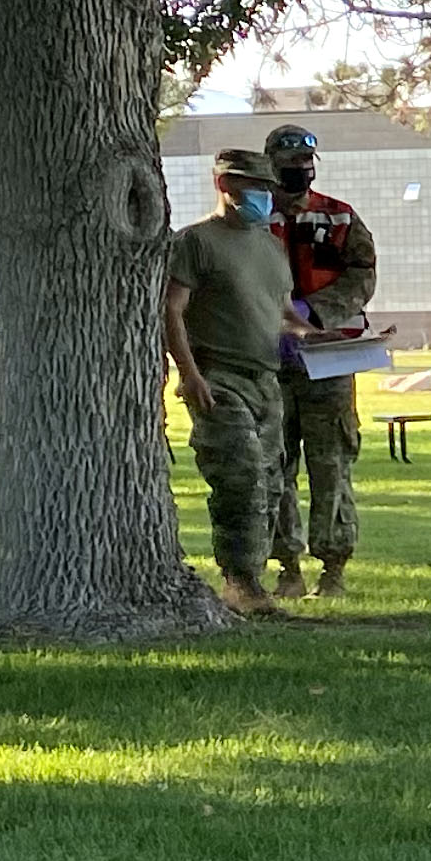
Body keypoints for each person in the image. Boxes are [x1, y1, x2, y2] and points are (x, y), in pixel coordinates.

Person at [162, 150, 296, 615]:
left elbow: (280, 312)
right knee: (239, 479)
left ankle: (257, 576)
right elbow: (172, 310)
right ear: (226, 187)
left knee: (272, 482)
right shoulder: (196, 242)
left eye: (267, 189)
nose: (263, 197)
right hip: (220, 378)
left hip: (266, 381)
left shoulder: (270, 247)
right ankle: (240, 581)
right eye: (252, 188)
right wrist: (190, 374)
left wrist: (324, 336)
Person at [259, 122, 378, 601]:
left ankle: (333, 566)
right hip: (269, 356)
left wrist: (317, 311)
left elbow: (362, 274)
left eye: (306, 166)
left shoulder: (340, 217)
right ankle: (287, 564)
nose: (299, 174)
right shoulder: (251, 220)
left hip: (327, 354)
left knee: (330, 463)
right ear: (271, 167)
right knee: (275, 461)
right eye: (290, 167)